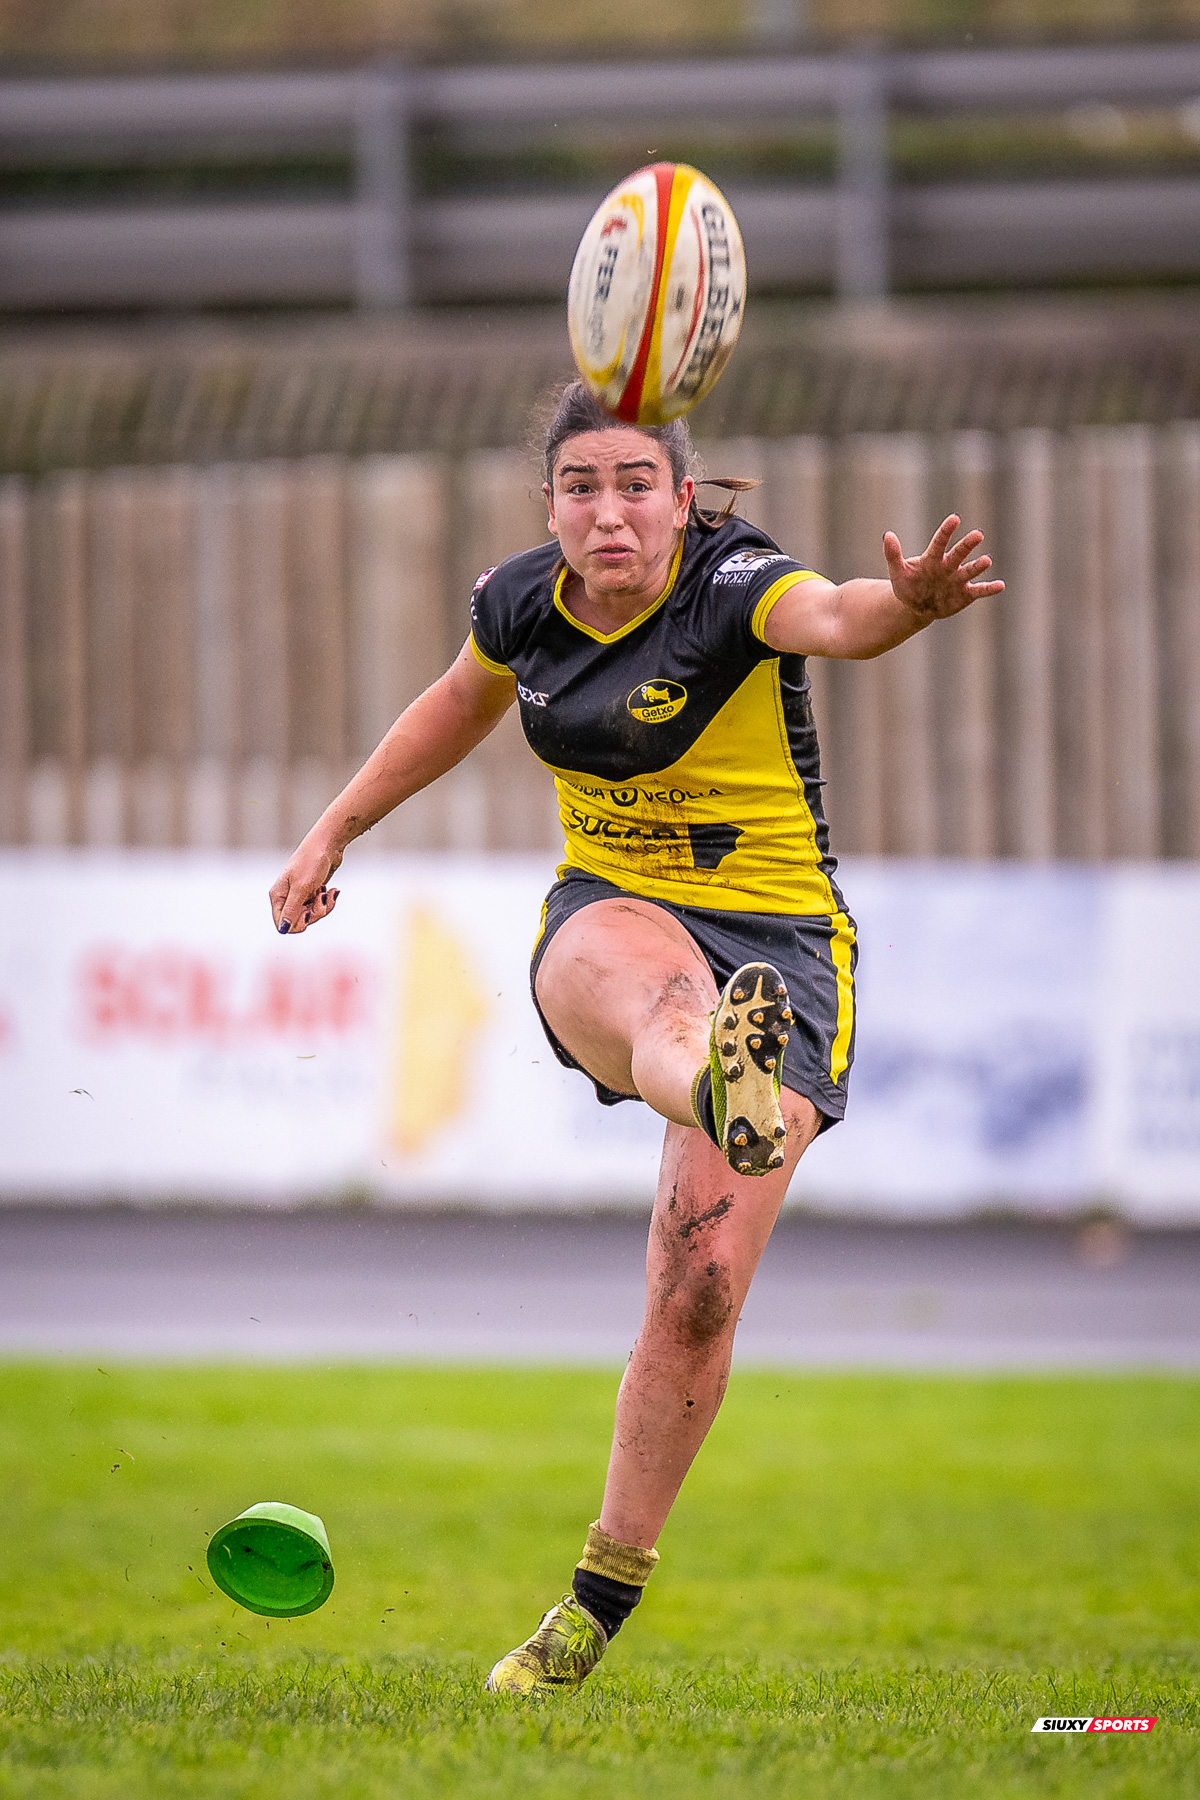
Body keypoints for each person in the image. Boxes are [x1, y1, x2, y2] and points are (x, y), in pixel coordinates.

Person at [269, 380, 1003, 1696]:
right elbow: (450, 708)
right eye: (581, 488)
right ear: (548, 505)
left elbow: (839, 616)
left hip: (783, 946)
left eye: (634, 486)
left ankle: (593, 1608)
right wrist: (332, 832)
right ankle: (720, 1077)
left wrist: (912, 605)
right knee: (673, 1011)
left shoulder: (735, 588)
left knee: (698, 1292)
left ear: (682, 495)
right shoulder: (519, 605)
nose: (609, 513)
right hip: (610, 922)